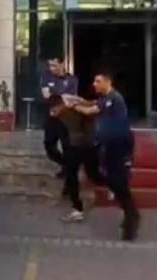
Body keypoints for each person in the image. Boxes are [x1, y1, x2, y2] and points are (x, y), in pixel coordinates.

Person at [72, 70, 140, 241]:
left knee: (118, 181)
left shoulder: (114, 98)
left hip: (119, 145)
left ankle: (131, 217)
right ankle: (127, 210)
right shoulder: (105, 98)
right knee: (96, 168)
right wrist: (78, 100)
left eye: (98, 81)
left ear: (107, 82)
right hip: (107, 144)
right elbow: (93, 103)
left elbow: (91, 110)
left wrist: (72, 106)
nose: (94, 84)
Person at [48, 95, 106, 223]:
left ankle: (112, 184)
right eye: (52, 110)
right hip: (73, 149)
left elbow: (90, 117)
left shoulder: (75, 109)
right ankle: (77, 209)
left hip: (86, 147)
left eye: (55, 109)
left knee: (93, 173)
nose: (53, 112)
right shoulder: (56, 118)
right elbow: (52, 138)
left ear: (62, 105)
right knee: (71, 175)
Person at [39, 56, 78, 179]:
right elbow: (46, 95)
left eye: (54, 65)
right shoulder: (46, 77)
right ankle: (65, 164)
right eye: (50, 65)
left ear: (62, 64)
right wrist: (62, 95)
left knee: (67, 146)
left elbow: (71, 99)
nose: (52, 68)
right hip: (51, 117)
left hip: (66, 118)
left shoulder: (72, 79)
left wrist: (55, 94)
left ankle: (68, 171)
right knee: (49, 145)